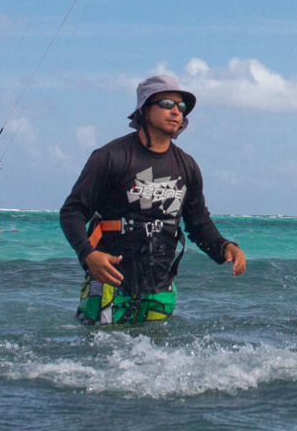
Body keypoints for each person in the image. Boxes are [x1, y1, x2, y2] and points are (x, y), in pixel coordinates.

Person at [60, 74, 246, 325]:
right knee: (101, 349)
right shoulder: (111, 157)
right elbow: (72, 211)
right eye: (167, 104)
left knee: (155, 350)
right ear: (145, 110)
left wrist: (225, 247)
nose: (176, 111)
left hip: (160, 288)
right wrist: (88, 255)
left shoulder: (187, 166)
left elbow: (198, 223)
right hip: (109, 284)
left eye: (181, 107)